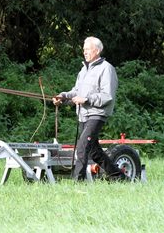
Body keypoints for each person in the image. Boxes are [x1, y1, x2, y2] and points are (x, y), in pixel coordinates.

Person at [53, 36, 126, 181]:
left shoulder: (107, 69)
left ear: (97, 50)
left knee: (82, 146)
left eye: (88, 49)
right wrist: (62, 97)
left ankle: (77, 182)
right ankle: (118, 176)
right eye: (84, 49)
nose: (84, 52)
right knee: (93, 151)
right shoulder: (83, 69)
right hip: (83, 114)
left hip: (97, 114)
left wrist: (86, 99)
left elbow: (108, 96)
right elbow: (76, 92)